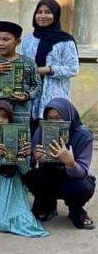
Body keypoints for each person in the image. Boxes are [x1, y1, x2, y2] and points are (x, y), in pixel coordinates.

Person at [0, 101, 48, 237]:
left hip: (13, 183)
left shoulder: (19, 137)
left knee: (23, 220)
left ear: (10, 119)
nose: (0, 120)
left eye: (4, 116)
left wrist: (25, 156)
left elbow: (24, 170)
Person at [24, 98, 95, 230]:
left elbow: (83, 172)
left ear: (69, 116)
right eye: (49, 118)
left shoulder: (83, 136)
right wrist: (36, 158)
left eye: (59, 118)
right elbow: (32, 164)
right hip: (49, 175)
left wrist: (70, 163)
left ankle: (76, 209)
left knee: (82, 187)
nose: (54, 122)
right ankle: (47, 205)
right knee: (31, 176)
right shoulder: (41, 130)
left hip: (73, 180)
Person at [21, 0, 79, 124]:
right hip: (30, 96)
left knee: (51, 134)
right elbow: (21, 64)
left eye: (48, 12)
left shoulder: (66, 40)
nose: (43, 16)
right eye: (39, 12)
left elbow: (73, 68)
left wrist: (49, 69)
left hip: (55, 97)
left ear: (56, 14)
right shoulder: (28, 40)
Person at [0, 21, 40, 127]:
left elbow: (37, 86)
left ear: (17, 42)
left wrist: (27, 96)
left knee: (18, 141)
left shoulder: (29, 63)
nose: (0, 43)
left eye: (6, 39)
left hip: (20, 114)